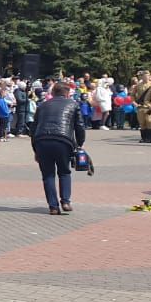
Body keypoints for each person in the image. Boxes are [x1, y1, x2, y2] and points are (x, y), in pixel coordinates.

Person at [31, 81, 86, 215]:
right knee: (64, 172)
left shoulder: (42, 105)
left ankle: (53, 207)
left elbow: (34, 128)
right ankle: (65, 202)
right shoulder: (73, 104)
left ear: (53, 92)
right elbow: (80, 126)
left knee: (48, 175)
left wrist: (35, 149)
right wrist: (80, 144)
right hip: (63, 141)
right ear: (67, 94)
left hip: (42, 141)